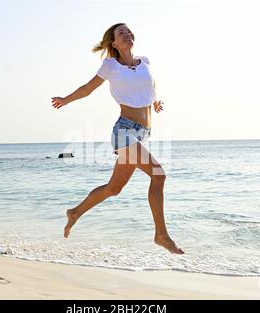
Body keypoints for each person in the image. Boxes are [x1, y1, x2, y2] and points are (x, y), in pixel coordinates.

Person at [51, 23, 184, 254]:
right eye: (121, 33)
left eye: (129, 31)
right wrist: (66, 99)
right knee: (159, 174)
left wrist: (155, 102)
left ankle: (75, 212)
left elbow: (147, 86)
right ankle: (161, 235)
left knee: (114, 189)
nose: (127, 34)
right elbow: (87, 88)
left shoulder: (145, 61)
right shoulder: (111, 65)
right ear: (114, 43)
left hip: (143, 133)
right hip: (125, 132)